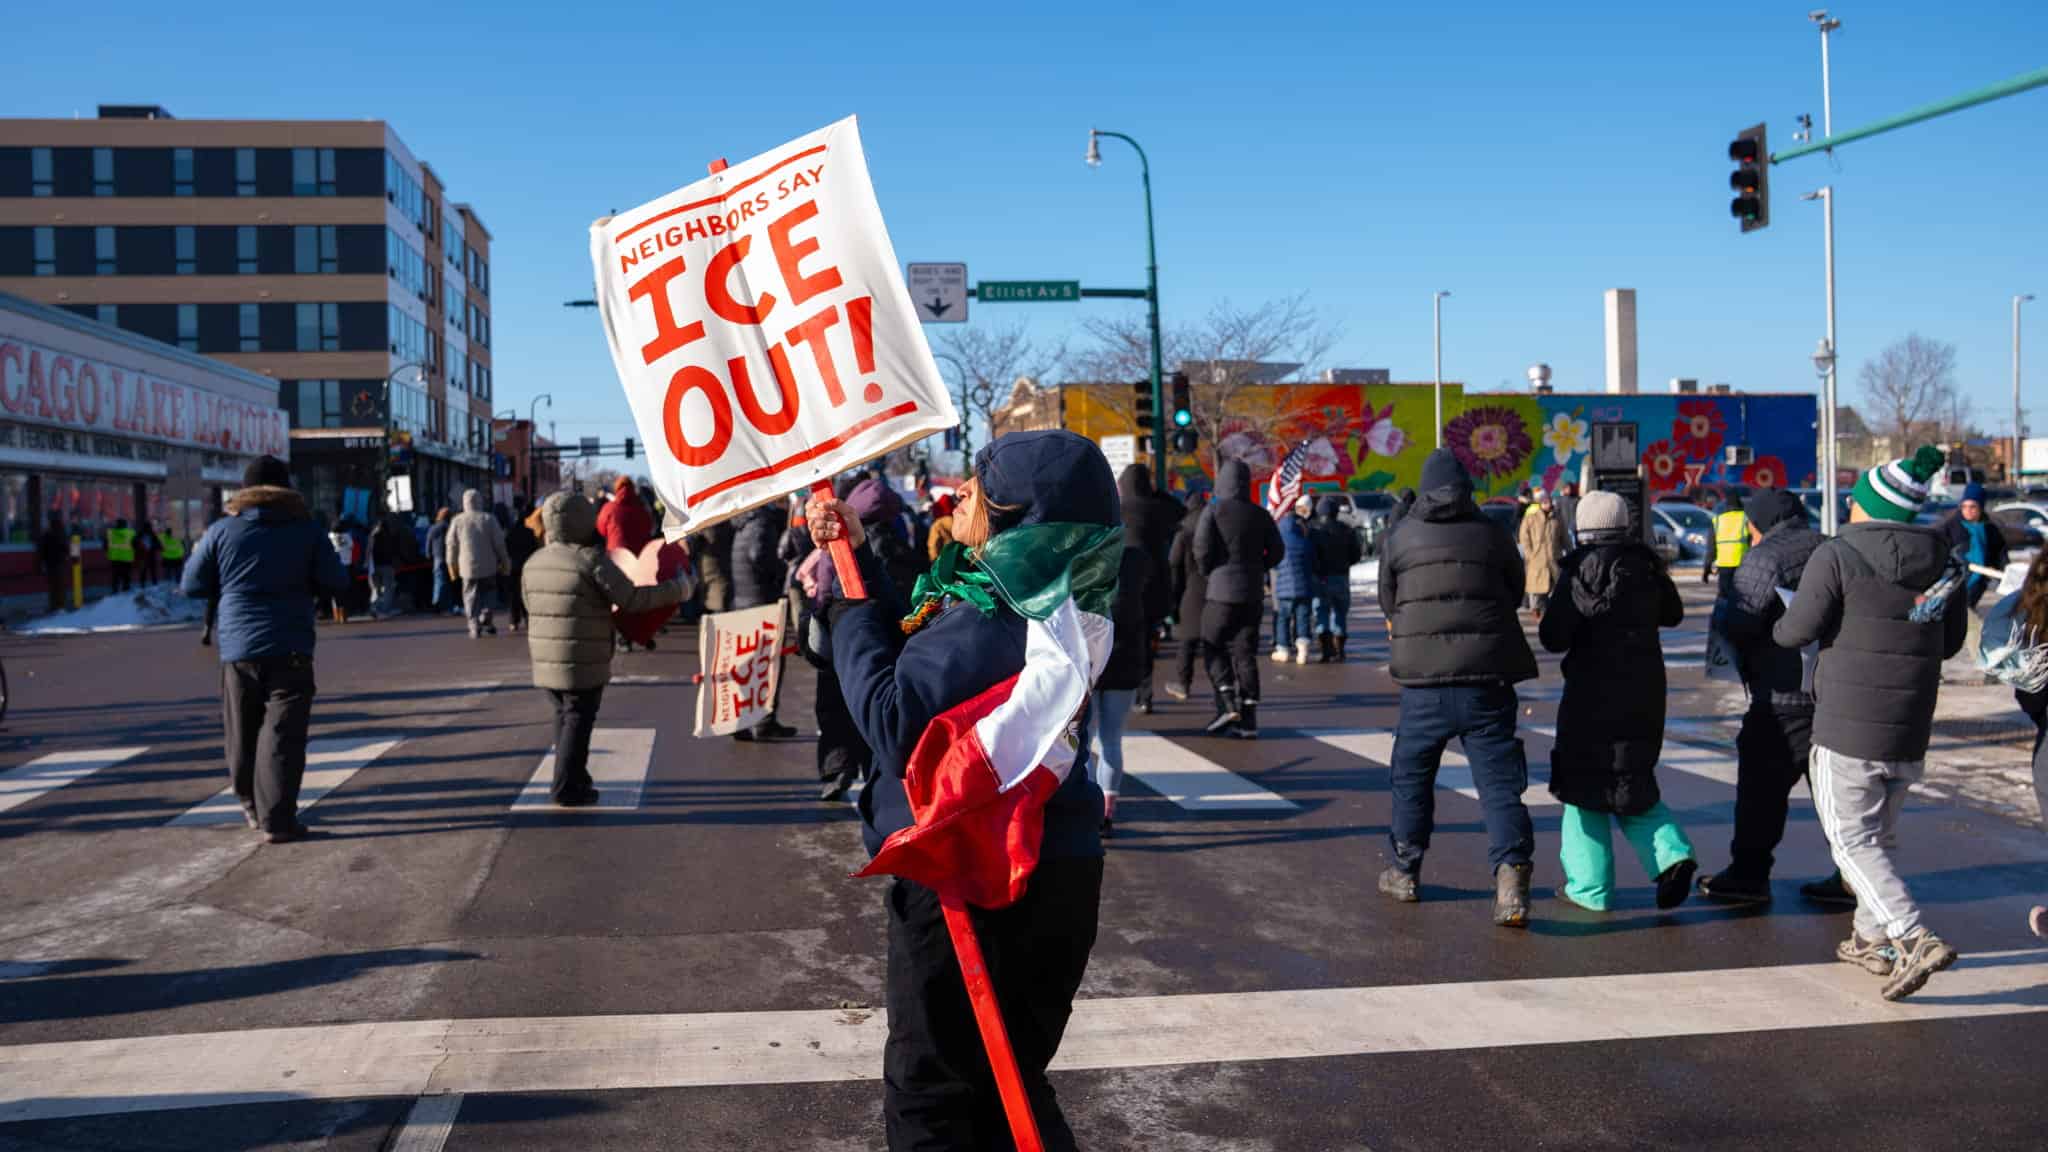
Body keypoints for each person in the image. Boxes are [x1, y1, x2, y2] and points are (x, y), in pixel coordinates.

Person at [809, 429, 1109, 1149]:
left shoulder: (999, 609)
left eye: (978, 486)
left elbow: (895, 718)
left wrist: (850, 615)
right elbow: (930, 649)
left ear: (1015, 513)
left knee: (934, 1100)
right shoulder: (1054, 591)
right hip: (1052, 865)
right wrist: (860, 564)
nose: (961, 495)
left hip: (975, 876)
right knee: (1009, 1090)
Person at [1775, 446, 1967, 1001]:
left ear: (1865, 505)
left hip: (1847, 724)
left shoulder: (1837, 555)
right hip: (1910, 721)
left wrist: (1785, 623)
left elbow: (1795, 631)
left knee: (1850, 839)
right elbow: (1948, 640)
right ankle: (1870, 939)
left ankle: (1911, 935)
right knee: (1878, 836)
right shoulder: (1945, 562)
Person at [1377, 448, 1540, 927]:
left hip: (1423, 682)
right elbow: (1514, 590)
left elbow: (1389, 599)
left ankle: (1405, 869)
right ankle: (1510, 876)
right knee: (1498, 782)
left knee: (1411, 774)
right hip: (1487, 678)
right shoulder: (1491, 532)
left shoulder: (1402, 535)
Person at [1540, 491, 1696, 911]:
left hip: (1590, 693)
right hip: (1644, 690)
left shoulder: (1577, 573)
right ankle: (1673, 856)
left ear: (1583, 527)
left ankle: (1589, 889)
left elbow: (1552, 638)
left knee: (1582, 788)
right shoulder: (1646, 566)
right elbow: (1674, 614)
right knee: (1632, 779)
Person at [181, 456, 348, 843]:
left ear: (245, 492)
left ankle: (249, 802)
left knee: (241, 731)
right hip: (290, 642)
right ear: (287, 489)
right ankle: (278, 818)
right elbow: (336, 580)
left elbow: (191, 584)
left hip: (239, 647)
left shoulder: (222, 531)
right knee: (282, 734)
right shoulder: (307, 531)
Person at [1698, 488, 1839, 906]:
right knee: (1836, 794)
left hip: (1779, 695)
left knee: (1760, 793)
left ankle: (1748, 874)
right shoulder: (1832, 548)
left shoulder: (1764, 558)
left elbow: (1741, 622)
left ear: (1757, 523)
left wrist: (1726, 600)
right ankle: (1853, 876)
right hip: (1831, 693)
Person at [522, 491, 690, 806]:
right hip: (583, 657)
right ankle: (566, 788)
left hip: (545, 658)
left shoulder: (534, 561)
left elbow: (528, 604)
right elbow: (633, 599)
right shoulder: (589, 560)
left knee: (563, 715)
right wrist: (678, 589)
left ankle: (574, 776)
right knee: (578, 719)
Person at [1194, 460, 1284, 737]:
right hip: (1252, 592)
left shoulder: (1214, 510)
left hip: (1220, 591)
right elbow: (1278, 551)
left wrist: (1209, 570)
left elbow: (1202, 548)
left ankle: (1226, 699)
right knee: (1246, 653)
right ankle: (1249, 720)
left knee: (1213, 644)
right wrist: (1258, 567)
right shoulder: (1260, 515)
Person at [1094, 538, 1151, 836]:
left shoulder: (1083, 557)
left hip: (1089, 655)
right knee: (1112, 741)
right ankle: (1107, 811)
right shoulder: (1137, 560)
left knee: (1080, 743)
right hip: (1127, 655)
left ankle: (1085, 810)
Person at [730, 501, 800, 742]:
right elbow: (759, 555)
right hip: (761, 602)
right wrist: (781, 568)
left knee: (749, 666)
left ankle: (741, 721)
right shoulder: (761, 523)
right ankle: (764, 722)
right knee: (769, 665)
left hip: (744, 600)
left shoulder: (742, 525)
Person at [1118, 464, 1181, 714]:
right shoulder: (1159, 509)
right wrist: (1157, 493)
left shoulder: (1119, 510)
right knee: (1147, 640)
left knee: (1127, 641)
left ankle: (1130, 691)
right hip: (1156, 584)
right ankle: (1145, 694)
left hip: (1126, 584)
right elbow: (1181, 511)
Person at [1938, 481, 2010, 667]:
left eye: (1973, 506)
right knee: (1971, 625)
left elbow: (1999, 555)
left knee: (1960, 625)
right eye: (1965, 506)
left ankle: (1985, 664)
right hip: (1954, 585)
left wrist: (2005, 572)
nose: (1968, 510)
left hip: (1976, 585)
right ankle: (1987, 664)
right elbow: (1937, 553)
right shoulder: (1950, 527)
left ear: (1981, 507)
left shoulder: (1989, 529)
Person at [1163, 491, 1210, 701]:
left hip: (1191, 588)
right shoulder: (1213, 522)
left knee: (1187, 641)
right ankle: (1223, 686)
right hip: (1213, 587)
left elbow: (1174, 563)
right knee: (1214, 642)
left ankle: (1183, 683)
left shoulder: (1184, 528)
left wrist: (1173, 596)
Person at [446, 488, 509, 639]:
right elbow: (499, 543)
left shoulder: (457, 520)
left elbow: (451, 545)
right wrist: (504, 560)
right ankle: (486, 616)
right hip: (489, 566)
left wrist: (451, 565)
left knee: (470, 596)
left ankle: (474, 624)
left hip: (467, 567)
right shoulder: (489, 519)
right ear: (480, 501)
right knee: (489, 593)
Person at [1307, 495, 1362, 663]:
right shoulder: (1346, 530)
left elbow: (1309, 555)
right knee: (1340, 613)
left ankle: (1325, 649)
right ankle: (1339, 649)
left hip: (1320, 577)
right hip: (1340, 576)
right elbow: (1356, 555)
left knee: (1321, 612)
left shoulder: (1313, 530)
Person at [1271, 494, 1318, 665]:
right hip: (1304, 586)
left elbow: (1274, 564)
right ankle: (1302, 650)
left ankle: (1283, 649)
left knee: (1283, 618)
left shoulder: (1279, 543)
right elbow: (1313, 562)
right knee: (1303, 617)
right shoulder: (1305, 541)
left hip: (1284, 588)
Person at [1517, 488, 1564, 620]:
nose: (1548, 504)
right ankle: (1536, 612)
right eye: (1545, 501)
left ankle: (1549, 616)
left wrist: (1568, 555)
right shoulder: (1531, 517)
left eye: (1549, 501)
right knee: (1536, 593)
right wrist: (1530, 554)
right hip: (1537, 561)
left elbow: (1564, 538)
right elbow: (1524, 537)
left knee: (1554, 591)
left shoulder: (1557, 518)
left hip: (1554, 560)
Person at [503, 497, 540, 633]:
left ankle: (513, 621)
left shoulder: (509, 533)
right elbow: (534, 549)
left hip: (513, 566)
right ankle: (528, 619)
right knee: (526, 594)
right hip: (527, 566)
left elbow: (505, 549)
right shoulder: (529, 533)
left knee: (514, 595)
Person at [1709, 492, 1749, 592]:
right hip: (1743, 564)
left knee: (1724, 598)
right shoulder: (1746, 518)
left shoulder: (1718, 520)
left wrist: (1707, 566)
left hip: (1724, 565)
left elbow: (1711, 547)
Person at [367, 513, 399, 617]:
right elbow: (394, 549)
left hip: (375, 565)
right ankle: (385, 610)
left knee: (376, 588)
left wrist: (367, 562)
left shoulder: (373, 535)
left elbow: (369, 550)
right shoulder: (389, 535)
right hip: (387, 564)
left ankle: (374, 607)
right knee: (388, 588)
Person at [325, 518, 355, 623]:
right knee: (345, 590)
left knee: (334, 592)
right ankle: (344, 615)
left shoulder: (329, 536)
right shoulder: (347, 536)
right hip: (346, 565)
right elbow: (352, 547)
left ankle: (336, 615)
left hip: (333, 566)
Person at [426, 508, 455, 614]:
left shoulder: (433, 528)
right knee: (446, 582)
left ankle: (438, 602)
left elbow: (428, 542)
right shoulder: (449, 527)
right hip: (448, 557)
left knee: (439, 581)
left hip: (437, 557)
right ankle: (442, 604)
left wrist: (428, 554)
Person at [37, 513, 67, 614]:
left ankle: (54, 606)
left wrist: (42, 562)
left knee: (53, 587)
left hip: (50, 564)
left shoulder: (47, 534)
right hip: (60, 563)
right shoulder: (62, 534)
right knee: (60, 586)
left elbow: (42, 550)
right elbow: (66, 548)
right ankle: (61, 606)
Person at [106, 517, 134, 593]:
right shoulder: (131, 533)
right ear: (125, 525)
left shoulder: (110, 533)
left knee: (115, 576)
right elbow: (136, 545)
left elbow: (105, 545)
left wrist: (109, 552)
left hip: (114, 558)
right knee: (126, 576)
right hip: (127, 558)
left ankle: (115, 591)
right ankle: (126, 591)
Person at [925, 493, 956, 562]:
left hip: (946, 559)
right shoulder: (959, 520)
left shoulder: (937, 524)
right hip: (962, 556)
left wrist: (933, 559)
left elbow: (934, 544)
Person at [136, 521, 161, 587]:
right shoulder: (152, 534)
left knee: (144, 571)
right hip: (150, 555)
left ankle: (143, 584)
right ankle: (154, 583)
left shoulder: (140, 534)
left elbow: (134, 543)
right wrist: (158, 547)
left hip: (143, 555)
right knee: (152, 570)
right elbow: (158, 544)